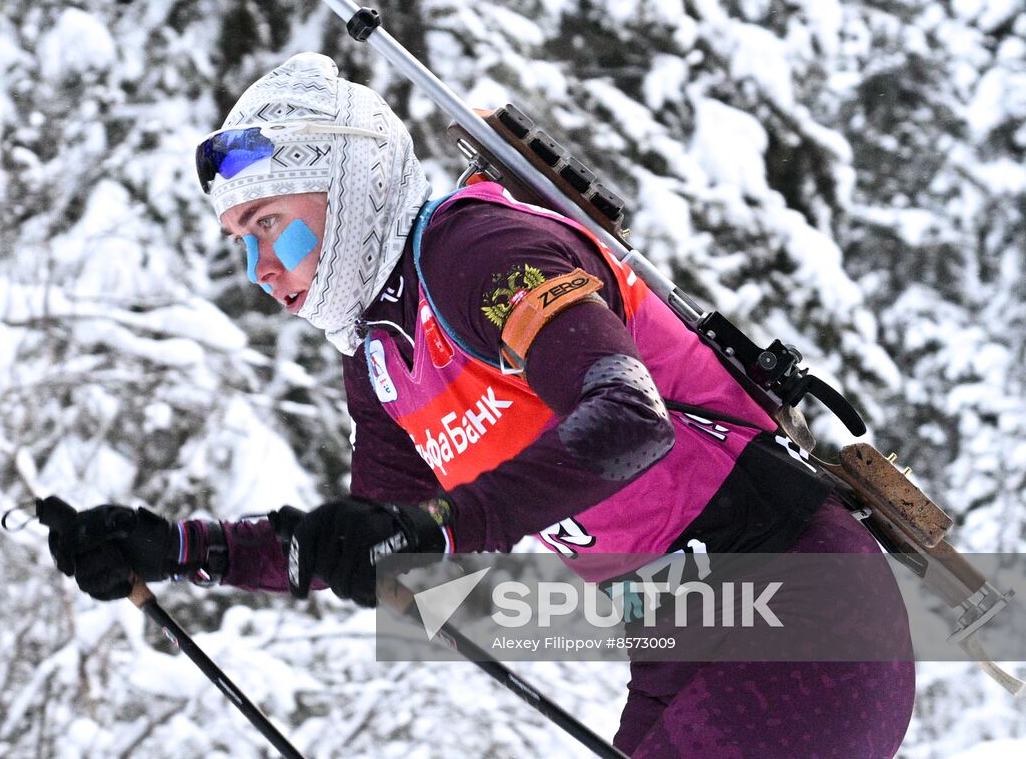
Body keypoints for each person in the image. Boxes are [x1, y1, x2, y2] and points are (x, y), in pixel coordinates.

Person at [45, 53, 915, 757]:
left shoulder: (476, 251)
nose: (260, 269)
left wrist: (448, 524)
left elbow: (627, 415)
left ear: (344, 180)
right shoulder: (381, 355)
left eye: (269, 222)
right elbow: (382, 549)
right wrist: (184, 550)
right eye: (241, 243)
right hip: (684, 631)